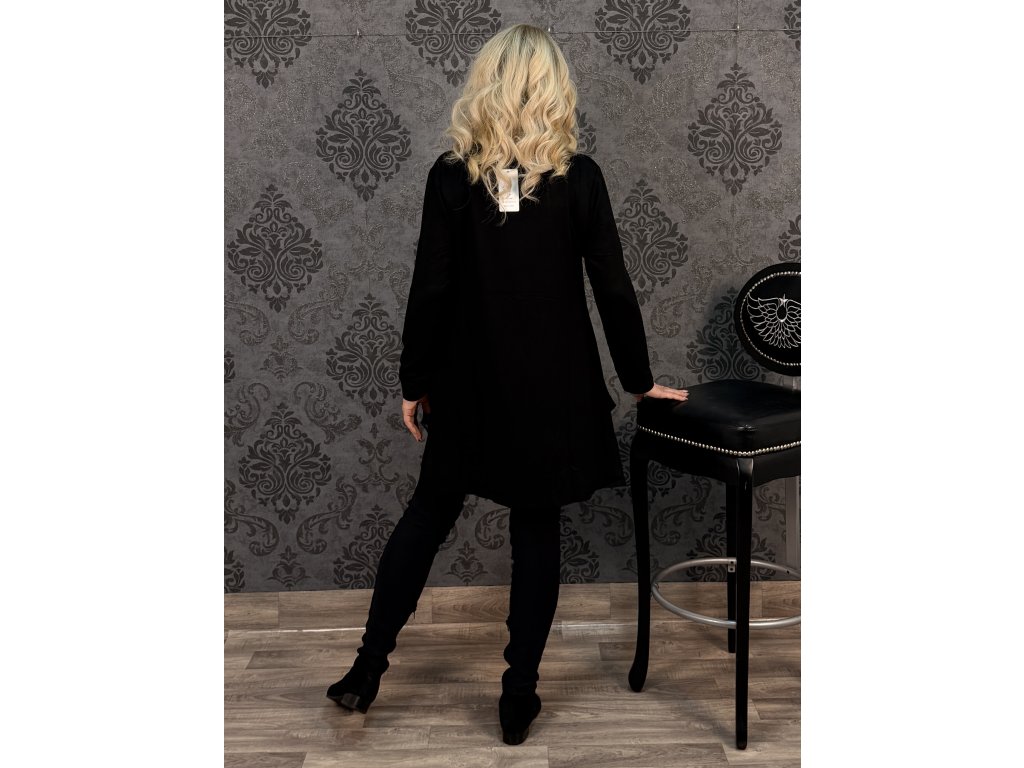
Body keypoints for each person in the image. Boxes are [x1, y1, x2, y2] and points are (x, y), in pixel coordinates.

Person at [326, 23, 688, 745]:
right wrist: (639, 380)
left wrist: (413, 380)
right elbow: (613, 287)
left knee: (428, 514)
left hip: (469, 381)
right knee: (536, 527)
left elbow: (430, 288)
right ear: (555, 90)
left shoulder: (451, 178)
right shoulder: (579, 178)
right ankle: (517, 700)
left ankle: (365, 671)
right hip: (553, 386)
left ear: (484, 86)